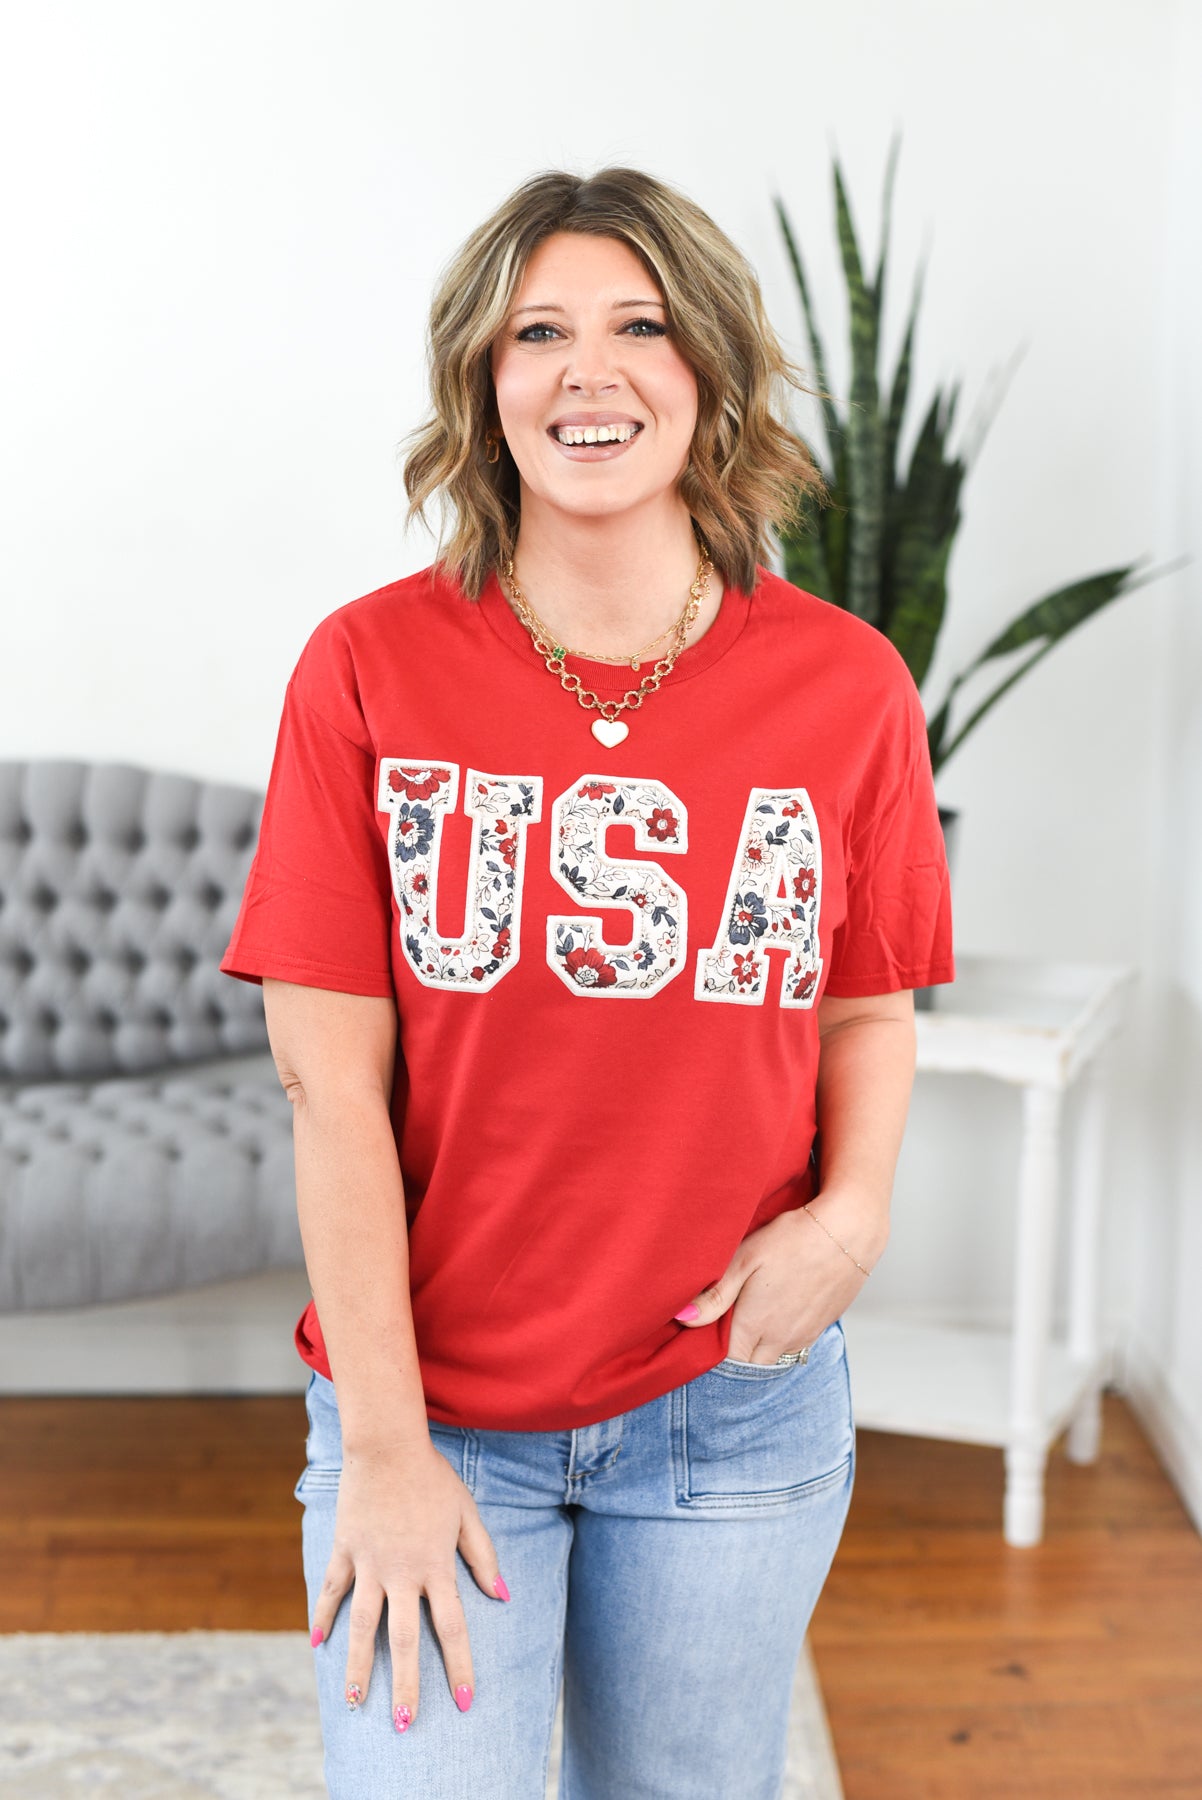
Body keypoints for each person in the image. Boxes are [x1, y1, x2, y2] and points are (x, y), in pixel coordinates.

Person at [220, 164, 955, 1799]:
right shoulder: (367, 667)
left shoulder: (847, 686)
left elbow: (864, 1006)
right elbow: (327, 1088)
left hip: (728, 1405)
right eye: (537, 333)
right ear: (484, 383)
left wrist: (848, 1222)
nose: (587, 372)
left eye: (639, 326)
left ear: (709, 369)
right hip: (432, 1403)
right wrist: (388, 1450)